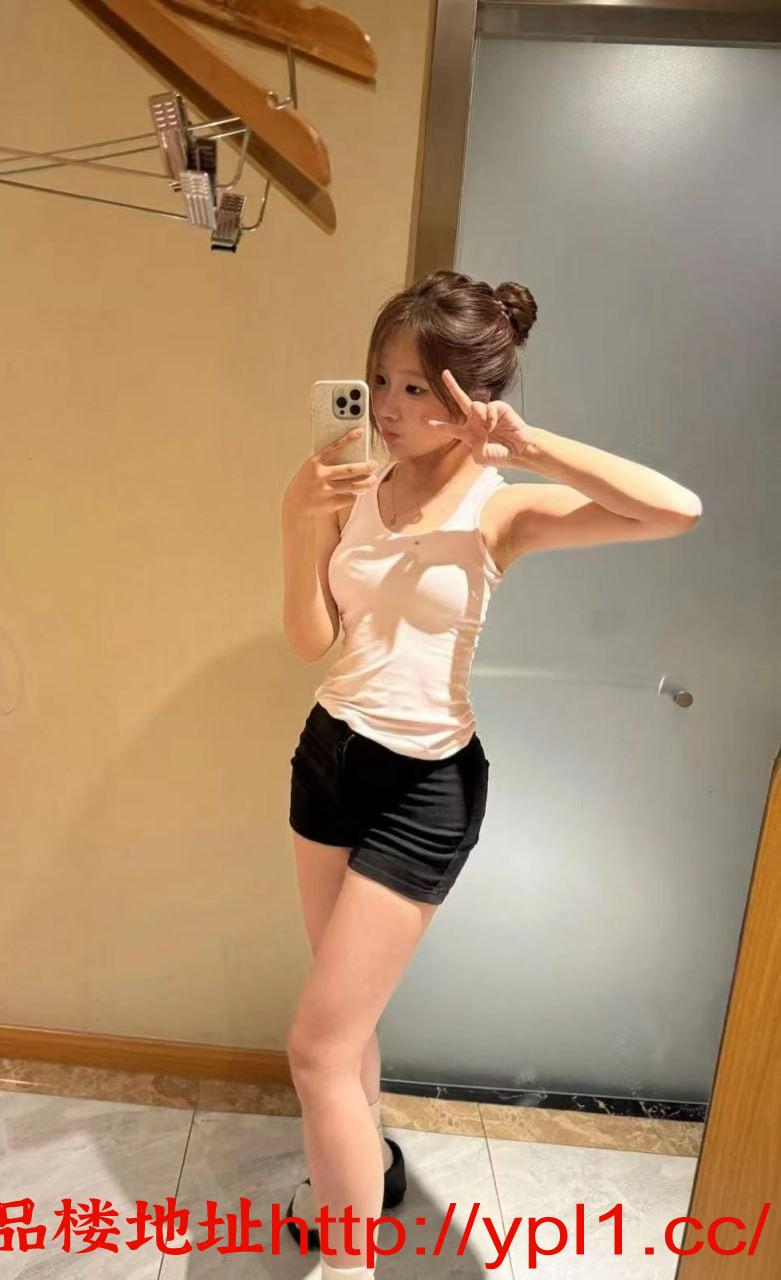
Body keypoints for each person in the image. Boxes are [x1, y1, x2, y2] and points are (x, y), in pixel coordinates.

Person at [277, 269, 702, 1279]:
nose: (387, 407)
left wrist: (529, 445)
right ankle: (362, 1170)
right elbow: (310, 639)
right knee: (343, 1023)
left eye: (415, 387)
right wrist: (295, 524)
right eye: (380, 379)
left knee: (314, 1047)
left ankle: (347, 1263)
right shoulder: (350, 488)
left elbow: (674, 511)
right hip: (328, 757)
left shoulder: (496, 511)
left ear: (470, 395)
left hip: (425, 786)